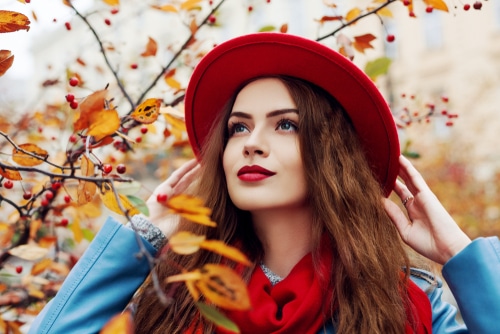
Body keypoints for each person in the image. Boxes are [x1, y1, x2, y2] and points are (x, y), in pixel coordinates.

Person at [29, 33, 500, 334]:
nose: (252, 143)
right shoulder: (173, 298)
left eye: (286, 125)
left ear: (331, 154)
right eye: (238, 127)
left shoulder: (407, 304)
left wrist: (462, 255)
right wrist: (140, 242)